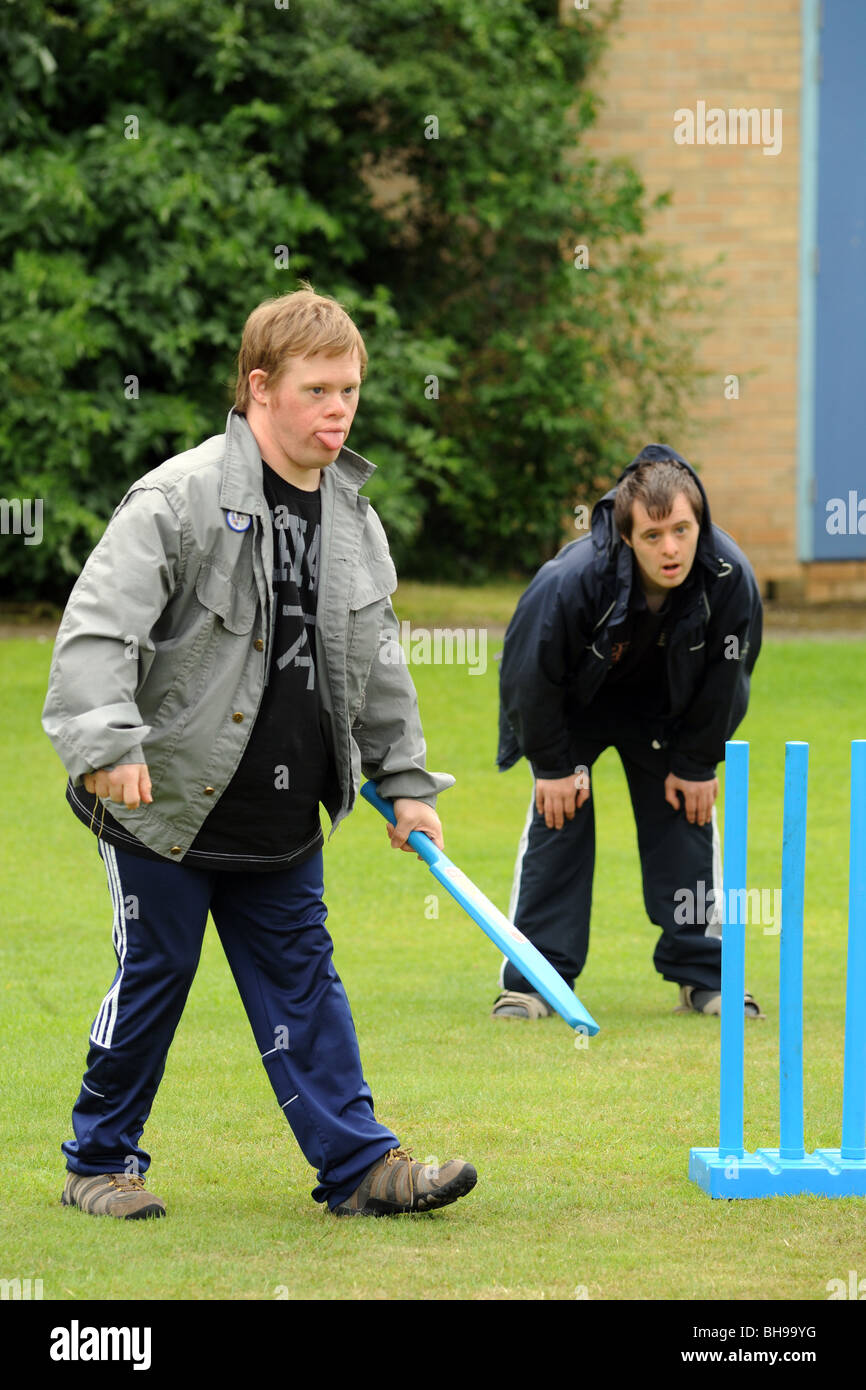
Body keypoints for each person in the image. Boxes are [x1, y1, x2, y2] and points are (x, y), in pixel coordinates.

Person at [42, 285, 477, 1219]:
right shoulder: (179, 496)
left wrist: (404, 782)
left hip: (283, 814)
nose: (339, 410)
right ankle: (98, 1162)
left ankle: (360, 1167)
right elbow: (96, 631)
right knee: (154, 978)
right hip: (164, 804)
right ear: (258, 388)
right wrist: (109, 743)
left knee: (304, 985)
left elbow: (377, 663)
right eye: (318, 390)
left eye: (350, 391)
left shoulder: (356, 522)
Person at [494, 446, 764, 1020]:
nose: (671, 549)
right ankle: (534, 982)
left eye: (683, 530)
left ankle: (705, 976)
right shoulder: (568, 581)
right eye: (653, 535)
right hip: (573, 708)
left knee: (688, 814)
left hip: (666, 711)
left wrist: (697, 763)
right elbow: (528, 672)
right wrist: (551, 766)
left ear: (701, 524)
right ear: (625, 536)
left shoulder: (729, 577)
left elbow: (729, 674)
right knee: (558, 818)